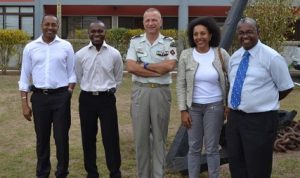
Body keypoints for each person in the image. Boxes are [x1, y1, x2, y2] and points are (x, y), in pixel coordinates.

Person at [226, 17, 294, 178]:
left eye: (249, 32)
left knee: (258, 167)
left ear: (258, 32)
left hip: (260, 121)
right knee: (236, 164)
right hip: (235, 119)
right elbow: (233, 83)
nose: (245, 36)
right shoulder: (235, 57)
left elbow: (286, 87)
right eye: (241, 33)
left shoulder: (272, 57)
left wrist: (265, 99)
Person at [19, 14, 76, 178]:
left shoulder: (66, 46)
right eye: (47, 24)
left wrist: (68, 93)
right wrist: (24, 103)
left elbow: (72, 74)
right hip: (39, 98)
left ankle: (62, 173)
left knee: (61, 139)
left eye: (54, 25)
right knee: (42, 139)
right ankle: (42, 173)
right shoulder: (30, 47)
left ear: (58, 27)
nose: (50, 27)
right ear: (41, 25)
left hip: (61, 98)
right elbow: (24, 77)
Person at [126, 8, 177, 178]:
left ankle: (158, 175)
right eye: (147, 20)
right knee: (141, 139)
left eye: (154, 20)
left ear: (161, 22)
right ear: (143, 23)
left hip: (161, 93)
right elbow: (131, 67)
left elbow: (169, 66)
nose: (151, 23)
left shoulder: (169, 42)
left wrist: (145, 65)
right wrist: (157, 70)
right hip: (140, 92)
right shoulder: (135, 41)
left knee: (159, 138)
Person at [176, 17, 230, 178]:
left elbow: (232, 80)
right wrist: (182, 110)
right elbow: (180, 84)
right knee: (194, 147)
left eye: (203, 33)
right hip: (193, 108)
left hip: (215, 106)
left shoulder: (221, 54)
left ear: (211, 35)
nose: (199, 37)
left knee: (212, 147)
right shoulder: (186, 55)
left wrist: (229, 105)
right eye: (195, 34)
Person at [75, 20, 123, 178]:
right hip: (87, 99)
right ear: (88, 33)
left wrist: (109, 90)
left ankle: (115, 172)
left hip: (106, 100)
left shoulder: (114, 54)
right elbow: (79, 76)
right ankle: (92, 172)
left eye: (100, 31)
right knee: (88, 137)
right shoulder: (80, 54)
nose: (96, 34)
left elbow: (118, 77)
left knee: (111, 137)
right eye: (93, 31)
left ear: (105, 33)